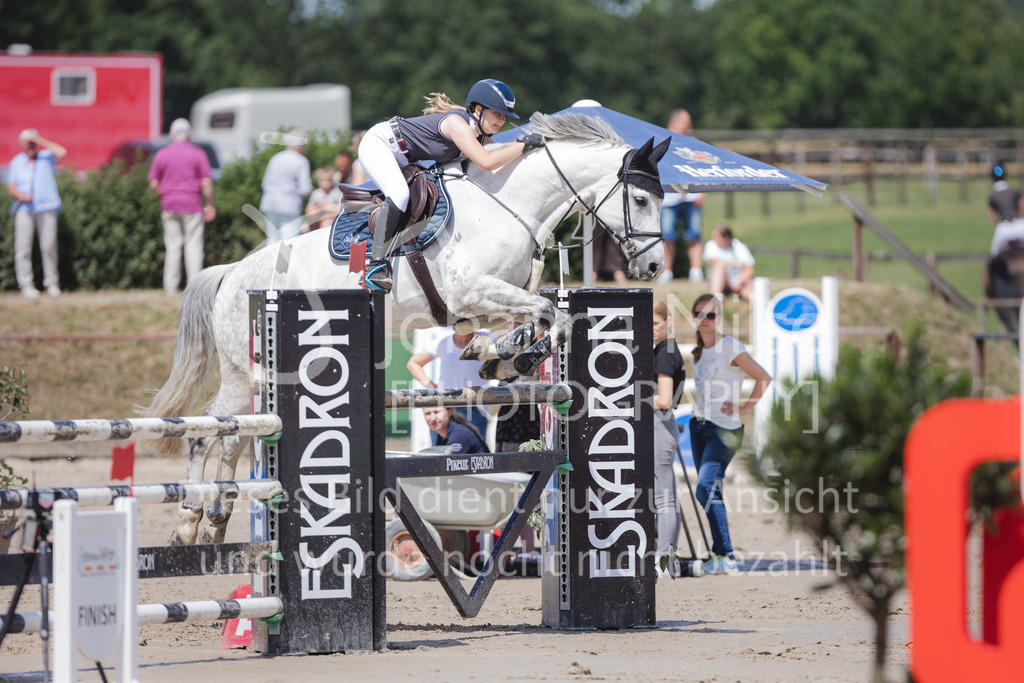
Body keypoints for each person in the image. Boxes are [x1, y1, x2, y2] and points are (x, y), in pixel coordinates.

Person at [357, 79, 544, 290]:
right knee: (400, 194)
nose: (501, 121)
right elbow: (487, 162)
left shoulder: (479, 135)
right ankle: (375, 265)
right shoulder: (458, 125)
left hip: (404, 156)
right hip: (379, 144)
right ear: (479, 109)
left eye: (505, 116)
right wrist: (523, 145)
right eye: (498, 113)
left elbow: (499, 154)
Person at [689, 293, 772, 574]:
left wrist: (745, 407)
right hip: (698, 427)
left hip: (724, 430)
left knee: (704, 487)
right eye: (699, 314)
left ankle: (726, 555)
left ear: (719, 317)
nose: (704, 320)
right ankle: (718, 554)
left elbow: (763, 377)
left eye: (710, 315)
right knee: (710, 490)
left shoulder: (729, 347)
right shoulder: (699, 352)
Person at [148, 118, 216, 295]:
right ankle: (193, 287)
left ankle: (170, 287)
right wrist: (210, 204)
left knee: (173, 246)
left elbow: (154, 183)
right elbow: (206, 182)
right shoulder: (197, 153)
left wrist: (163, 197)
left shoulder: (162, 153)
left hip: (169, 205)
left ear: (171, 134)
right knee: (193, 246)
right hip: (192, 204)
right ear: (190, 134)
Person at [6, 128, 66, 298]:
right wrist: (22, 196)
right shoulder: (17, 162)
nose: (31, 145)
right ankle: (26, 285)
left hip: (46, 207)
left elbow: (62, 152)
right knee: (23, 248)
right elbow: (11, 185)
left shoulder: (46, 157)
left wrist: (40, 140)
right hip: (25, 209)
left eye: (33, 142)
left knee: (49, 246)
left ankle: (52, 283)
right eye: (28, 142)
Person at [407, 327, 494, 441]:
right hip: (445, 407)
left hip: (475, 408)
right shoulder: (443, 342)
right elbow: (413, 363)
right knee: (441, 454)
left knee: (474, 455)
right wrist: (431, 386)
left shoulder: (489, 339)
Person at [652, 300, 686, 577]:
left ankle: (665, 558)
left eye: (655, 323)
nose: (651, 329)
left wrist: (629, 396)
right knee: (662, 497)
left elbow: (663, 400)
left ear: (668, 321)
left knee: (664, 498)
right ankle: (664, 554)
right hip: (660, 426)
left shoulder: (665, 352)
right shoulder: (662, 349)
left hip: (659, 426)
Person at [658, 109, 705, 283]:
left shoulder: (693, 143)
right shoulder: (661, 142)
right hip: (669, 198)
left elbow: (702, 170)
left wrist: (702, 192)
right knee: (667, 237)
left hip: (691, 197)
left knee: (694, 235)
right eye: (686, 124)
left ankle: (696, 272)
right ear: (674, 123)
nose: (690, 128)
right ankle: (666, 273)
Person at [259, 129, 312, 244]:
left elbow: (265, 183)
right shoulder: (301, 161)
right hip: (289, 205)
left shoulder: (275, 158)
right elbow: (305, 189)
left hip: (270, 203)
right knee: (289, 242)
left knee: (272, 241)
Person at [704, 225, 755, 301]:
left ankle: (760, 307)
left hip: (737, 280)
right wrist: (734, 264)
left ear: (727, 238)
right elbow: (713, 261)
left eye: (717, 237)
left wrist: (740, 282)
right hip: (720, 279)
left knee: (751, 293)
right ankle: (715, 298)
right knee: (719, 267)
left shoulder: (739, 247)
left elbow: (749, 268)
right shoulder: (711, 245)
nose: (715, 239)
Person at [987, 163, 1024, 255]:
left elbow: (992, 218)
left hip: (1004, 228)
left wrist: (999, 225)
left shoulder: (993, 196)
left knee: (994, 255)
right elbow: (1021, 210)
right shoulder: (1014, 191)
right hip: (1019, 225)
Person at [422, 406, 488, 454]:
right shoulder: (441, 435)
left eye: (437, 412)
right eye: (428, 413)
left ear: (450, 411)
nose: (433, 418)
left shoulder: (459, 434)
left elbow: (451, 467)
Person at [302, 166, 343, 233]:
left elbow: (340, 208)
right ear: (319, 182)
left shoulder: (336, 193)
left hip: (330, 219)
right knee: (304, 228)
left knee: (326, 223)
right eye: (323, 180)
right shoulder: (316, 194)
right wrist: (321, 208)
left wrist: (327, 208)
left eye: (328, 180)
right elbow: (309, 210)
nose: (326, 182)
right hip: (317, 220)